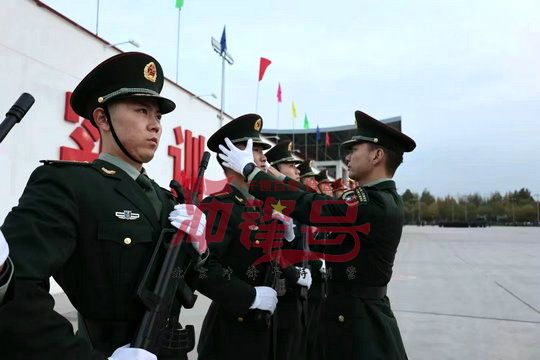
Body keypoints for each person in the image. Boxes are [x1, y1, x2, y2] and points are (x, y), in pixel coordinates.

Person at [0, 52, 207, 360]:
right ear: (101, 118)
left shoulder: (168, 200)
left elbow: (185, 282)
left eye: (158, 116)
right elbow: (16, 298)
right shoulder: (68, 186)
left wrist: (200, 250)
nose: (155, 126)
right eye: (141, 110)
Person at [217, 110, 416, 359]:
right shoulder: (377, 200)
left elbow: (312, 206)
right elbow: (316, 200)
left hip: (360, 326)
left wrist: (251, 171)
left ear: (377, 155)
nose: (349, 155)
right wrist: (277, 176)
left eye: (356, 148)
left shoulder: (374, 205)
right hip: (349, 316)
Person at [195, 114, 309, 360]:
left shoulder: (261, 207)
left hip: (266, 329)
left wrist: (288, 240)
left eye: (260, 150)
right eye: (253, 150)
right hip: (231, 334)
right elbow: (202, 269)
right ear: (232, 158)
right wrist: (250, 296)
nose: (262, 158)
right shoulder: (217, 207)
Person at [264, 140, 311, 360]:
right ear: (274, 169)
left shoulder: (296, 201)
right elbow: (267, 249)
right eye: (290, 165)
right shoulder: (271, 202)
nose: (296, 170)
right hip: (280, 294)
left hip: (298, 294)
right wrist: (295, 273)